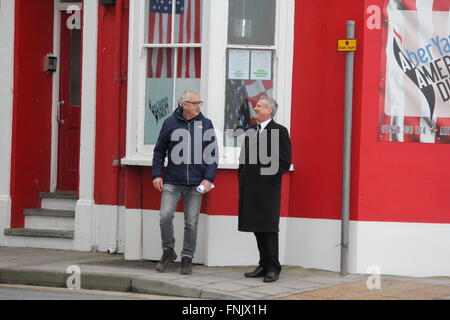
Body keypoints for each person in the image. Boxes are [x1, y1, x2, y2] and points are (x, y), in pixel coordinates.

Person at [152, 90, 218, 275]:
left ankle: (187, 257)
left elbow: (212, 155)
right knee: (165, 216)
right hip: (172, 181)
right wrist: (157, 174)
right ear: (184, 105)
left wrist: (208, 179)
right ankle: (168, 251)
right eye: (195, 102)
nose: (198, 106)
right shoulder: (169, 123)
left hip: (197, 183)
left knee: (191, 222)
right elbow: (159, 151)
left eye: (200, 102)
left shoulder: (206, 124)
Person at [238, 96, 292, 283]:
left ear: (269, 110)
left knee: (268, 228)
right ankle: (263, 264)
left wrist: (267, 177)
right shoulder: (251, 131)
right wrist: (242, 177)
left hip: (268, 189)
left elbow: (284, 162)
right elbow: (243, 158)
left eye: (259, 105)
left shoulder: (280, 131)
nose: (255, 107)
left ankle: (273, 267)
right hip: (250, 187)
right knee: (256, 228)